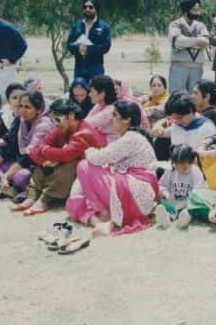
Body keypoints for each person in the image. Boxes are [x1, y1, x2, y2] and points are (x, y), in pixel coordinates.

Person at [68, 100, 160, 238]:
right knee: (74, 203)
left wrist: (90, 151)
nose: (111, 119)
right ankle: (99, 219)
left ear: (126, 120)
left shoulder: (131, 138)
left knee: (84, 166)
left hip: (135, 192)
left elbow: (98, 158)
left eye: (115, 115)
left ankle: (103, 214)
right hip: (137, 192)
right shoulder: (130, 137)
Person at [17, 99, 106, 222]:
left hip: (91, 176)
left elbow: (66, 155)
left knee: (70, 163)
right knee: (44, 163)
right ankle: (32, 196)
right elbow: (34, 150)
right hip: (71, 174)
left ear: (71, 116)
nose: (56, 124)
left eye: (57, 119)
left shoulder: (84, 132)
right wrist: (45, 160)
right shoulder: (63, 128)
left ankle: (46, 199)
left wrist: (45, 151)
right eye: (53, 120)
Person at [168, 0, 209, 94]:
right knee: (176, 95)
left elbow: (205, 42)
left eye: (198, 10)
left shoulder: (201, 26)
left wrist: (186, 42)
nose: (197, 13)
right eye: (194, 10)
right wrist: (197, 40)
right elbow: (177, 42)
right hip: (179, 66)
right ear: (186, 11)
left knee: (195, 97)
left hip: (197, 67)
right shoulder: (175, 24)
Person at [65, 0, 112, 80]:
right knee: (79, 92)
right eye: (85, 7)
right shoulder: (77, 25)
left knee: (95, 92)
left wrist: (88, 49)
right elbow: (69, 44)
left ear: (96, 9)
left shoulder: (104, 27)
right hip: (79, 69)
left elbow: (106, 46)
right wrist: (78, 48)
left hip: (96, 69)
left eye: (90, 7)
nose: (87, 9)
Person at [157, 145, 204, 228]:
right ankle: (167, 218)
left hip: (188, 203)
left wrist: (187, 202)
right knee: (164, 204)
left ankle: (184, 219)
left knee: (191, 210)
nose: (181, 171)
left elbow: (199, 193)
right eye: (177, 168)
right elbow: (161, 185)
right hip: (173, 202)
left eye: (184, 168)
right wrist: (166, 194)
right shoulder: (171, 170)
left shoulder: (196, 173)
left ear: (192, 162)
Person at [83, 75, 119, 144]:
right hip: (101, 138)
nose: (89, 95)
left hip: (111, 143)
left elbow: (85, 124)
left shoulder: (110, 110)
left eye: (92, 92)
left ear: (102, 94)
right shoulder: (99, 105)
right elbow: (86, 121)